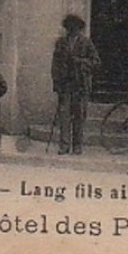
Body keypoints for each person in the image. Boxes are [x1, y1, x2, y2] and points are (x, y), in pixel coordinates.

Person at [50, 14, 100, 154]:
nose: (73, 29)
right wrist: (56, 82)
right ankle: (64, 145)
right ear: (67, 28)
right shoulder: (61, 42)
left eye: (76, 27)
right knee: (64, 115)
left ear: (80, 28)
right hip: (65, 83)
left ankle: (77, 145)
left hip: (81, 84)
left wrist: (81, 61)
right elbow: (55, 64)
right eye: (70, 27)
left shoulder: (86, 43)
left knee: (79, 115)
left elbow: (96, 62)